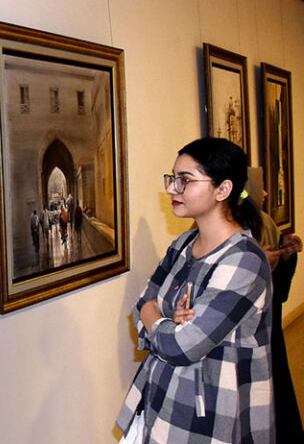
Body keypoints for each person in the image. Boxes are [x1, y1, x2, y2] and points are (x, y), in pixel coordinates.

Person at [117, 137, 274, 444]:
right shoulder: (183, 246)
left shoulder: (244, 261)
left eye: (185, 180)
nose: (171, 189)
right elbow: (141, 305)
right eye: (173, 179)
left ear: (223, 189)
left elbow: (183, 346)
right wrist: (164, 323)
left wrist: (158, 320)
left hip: (212, 416)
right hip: (162, 400)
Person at [246, 166, 304, 440]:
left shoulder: (264, 220)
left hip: (268, 328)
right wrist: (261, 264)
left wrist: (286, 252)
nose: (267, 193)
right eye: (260, 188)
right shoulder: (224, 223)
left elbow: (272, 256)